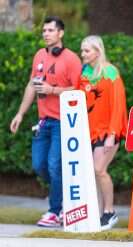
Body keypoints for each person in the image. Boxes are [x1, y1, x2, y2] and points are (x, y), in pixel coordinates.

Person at [10, 16, 82, 227]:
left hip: (63, 122)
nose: (46, 34)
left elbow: (79, 90)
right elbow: (32, 86)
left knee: (54, 166)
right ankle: (63, 197)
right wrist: (20, 114)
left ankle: (55, 211)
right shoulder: (39, 55)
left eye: (50, 30)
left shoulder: (71, 59)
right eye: (44, 30)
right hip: (43, 121)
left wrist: (53, 90)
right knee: (39, 165)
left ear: (61, 33)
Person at [79, 35, 128, 230]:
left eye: (87, 51)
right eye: (82, 51)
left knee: (99, 170)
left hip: (108, 132)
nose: (83, 54)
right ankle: (100, 214)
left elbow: (118, 105)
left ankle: (109, 211)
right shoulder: (84, 73)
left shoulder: (110, 72)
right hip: (88, 132)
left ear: (98, 51)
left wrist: (112, 134)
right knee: (93, 173)